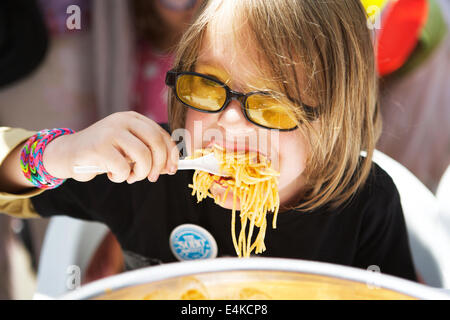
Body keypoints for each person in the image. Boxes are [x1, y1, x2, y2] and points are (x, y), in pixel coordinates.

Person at [0, 0, 417, 283]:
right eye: (207, 86)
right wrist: (63, 154)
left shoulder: (363, 201)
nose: (229, 122)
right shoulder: (144, 169)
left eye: (273, 104)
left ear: (336, 118)